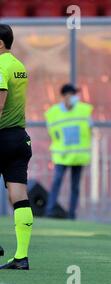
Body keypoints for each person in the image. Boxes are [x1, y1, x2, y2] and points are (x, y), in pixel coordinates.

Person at [0, 24, 33, 270]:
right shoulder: (19, 66)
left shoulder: (0, 66)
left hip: (1, 136)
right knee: (19, 197)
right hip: (19, 137)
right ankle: (21, 257)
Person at [44, 84, 93, 220]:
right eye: (72, 94)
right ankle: (50, 210)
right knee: (57, 181)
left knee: (75, 186)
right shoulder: (53, 113)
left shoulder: (83, 110)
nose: (74, 97)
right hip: (62, 155)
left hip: (78, 155)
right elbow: (52, 133)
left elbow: (90, 128)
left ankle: (71, 214)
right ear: (64, 96)